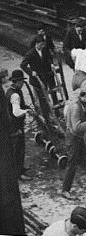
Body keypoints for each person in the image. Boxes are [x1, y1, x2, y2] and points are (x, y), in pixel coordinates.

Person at [61, 85, 86, 200]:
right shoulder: (76, 108)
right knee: (72, 164)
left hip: (78, 138)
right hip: (73, 138)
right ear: (85, 95)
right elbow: (77, 127)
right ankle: (65, 190)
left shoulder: (83, 103)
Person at [0, 71, 25, 235]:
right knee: (17, 154)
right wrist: (27, 111)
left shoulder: (7, 91)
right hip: (12, 132)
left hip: (8, 133)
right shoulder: (13, 94)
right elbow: (13, 113)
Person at [5, 70, 33, 180]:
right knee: (18, 149)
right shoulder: (15, 94)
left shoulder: (10, 91)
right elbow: (16, 112)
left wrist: (25, 106)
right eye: (21, 82)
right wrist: (26, 112)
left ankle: (20, 168)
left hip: (13, 124)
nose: (22, 84)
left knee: (19, 148)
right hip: (15, 125)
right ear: (17, 82)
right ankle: (19, 173)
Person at [20, 35, 57, 116]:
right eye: (40, 45)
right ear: (36, 44)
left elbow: (49, 58)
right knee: (42, 98)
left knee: (48, 93)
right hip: (36, 79)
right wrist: (31, 72)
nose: (42, 46)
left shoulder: (45, 50)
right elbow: (23, 65)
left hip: (46, 76)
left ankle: (53, 111)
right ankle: (46, 115)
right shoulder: (30, 53)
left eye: (43, 44)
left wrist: (51, 64)